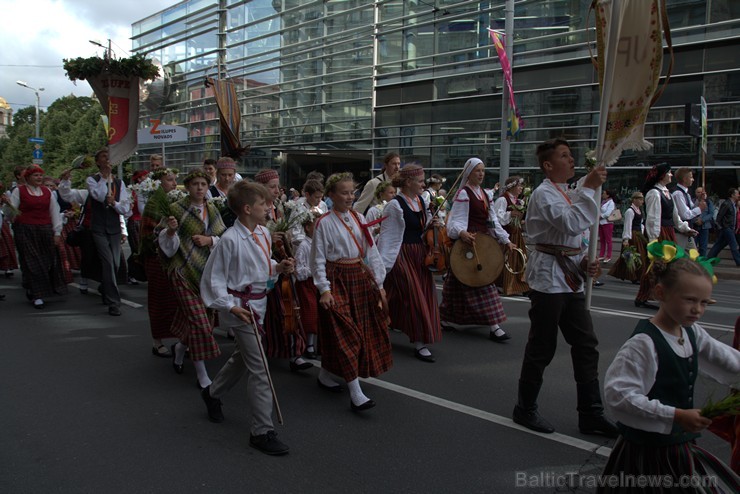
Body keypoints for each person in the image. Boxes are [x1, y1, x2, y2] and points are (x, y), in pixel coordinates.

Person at [599, 248, 740, 493]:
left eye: (704, 302)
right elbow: (619, 395)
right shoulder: (644, 344)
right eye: (690, 300)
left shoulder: (691, 332)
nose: (698, 309)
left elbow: (726, 359)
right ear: (661, 293)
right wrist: (676, 415)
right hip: (645, 452)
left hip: (677, 448)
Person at [512, 138, 618, 437]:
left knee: (586, 344)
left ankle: (591, 414)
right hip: (548, 279)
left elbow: (574, 238)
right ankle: (525, 408)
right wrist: (588, 187)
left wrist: (585, 262)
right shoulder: (544, 195)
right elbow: (570, 223)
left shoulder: (567, 191)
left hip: (570, 278)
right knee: (542, 345)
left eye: (571, 155)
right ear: (548, 165)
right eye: (564, 155)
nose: (571, 160)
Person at [200, 180, 293, 456]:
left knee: (243, 357)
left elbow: (262, 271)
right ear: (247, 208)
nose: (270, 206)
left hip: (260, 305)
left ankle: (212, 393)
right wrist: (229, 307)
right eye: (264, 203)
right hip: (241, 309)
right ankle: (261, 431)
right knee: (261, 368)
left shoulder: (264, 233)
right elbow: (213, 280)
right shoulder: (229, 240)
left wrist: (279, 267)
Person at [310, 173, 391, 411]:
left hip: (359, 277)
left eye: (351, 192)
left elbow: (371, 251)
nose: (349, 196)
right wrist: (324, 289)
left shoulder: (358, 217)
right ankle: (356, 393)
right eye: (343, 192)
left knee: (358, 331)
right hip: (336, 281)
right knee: (346, 332)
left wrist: (380, 285)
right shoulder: (323, 222)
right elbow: (317, 260)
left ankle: (325, 375)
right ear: (331, 195)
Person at [158, 170, 226, 389]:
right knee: (199, 323)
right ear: (187, 186)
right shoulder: (176, 210)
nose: (199, 188)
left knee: (200, 318)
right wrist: (170, 232)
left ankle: (180, 350)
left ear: (208, 187)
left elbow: (223, 237)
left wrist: (209, 239)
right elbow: (166, 247)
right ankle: (202, 374)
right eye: (195, 184)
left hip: (206, 273)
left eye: (203, 184)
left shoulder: (213, 209)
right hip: (182, 272)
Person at [439, 158, 515, 342]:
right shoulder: (464, 194)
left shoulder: (485, 194)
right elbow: (455, 221)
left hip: (483, 242)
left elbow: (493, 220)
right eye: (477, 171)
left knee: (458, 283)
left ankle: (446, 318)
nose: (481, 174)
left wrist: (506, 239)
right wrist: (461, 232)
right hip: (469, 242)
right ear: (469, 173)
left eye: (483, 170)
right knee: (481, 281)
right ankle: (494, 326)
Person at [378, 164, 441, 362]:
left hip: (419, 254)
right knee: (414, 296)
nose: (424, 184)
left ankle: (382, 322)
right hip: (401, 253)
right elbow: (387, 235)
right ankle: (419, 343)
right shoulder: (394, 205)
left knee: (403, 295)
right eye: (421, 181)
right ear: (408, 182)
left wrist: (434, 224)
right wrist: (383, 263)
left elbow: (423, 229)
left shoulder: (422, 202)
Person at [254, 168, 311, 371]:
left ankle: (295, 352)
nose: (277, 190)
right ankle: (266, 349)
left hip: (282, 262)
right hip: (265, 265)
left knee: (289, 307)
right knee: (273, 310)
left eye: (277, 186)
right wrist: (271, 237)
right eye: (272, 187)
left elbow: (287, 234)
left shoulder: (279, 207)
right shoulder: (255, 210)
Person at [635, 163, 697, 309]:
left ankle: (664, 295)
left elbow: (675, 217)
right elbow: (653, 218)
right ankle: (643, 296)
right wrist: (653, 240)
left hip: (668, 231)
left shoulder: (666, 192)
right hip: (659, 232)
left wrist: (685, 228)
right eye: (669, 173)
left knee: (668, 265)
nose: (671, 175)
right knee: (655, 265)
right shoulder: (654, 193)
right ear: (662, 175)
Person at [3, 165, 66, 309]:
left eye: (40, 175)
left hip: (44, 230)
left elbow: (54, 212)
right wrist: (8, 206)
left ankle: (34, 287)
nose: (39, 178)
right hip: (25, 230)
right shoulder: (19, 191)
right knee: (32, 261)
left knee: (46, 260)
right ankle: (37, 295)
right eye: (35, 175)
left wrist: (57, 232)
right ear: (28, 178)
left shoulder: (47, 192)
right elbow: (11, 214)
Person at [139, 167, 180, 358]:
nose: (173, 183)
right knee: (159, 299)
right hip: (156, 259)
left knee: (177, 300)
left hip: (174, 258)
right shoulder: (154, 204)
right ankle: (157, 341)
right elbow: (148, 235)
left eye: (174, 179)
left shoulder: (174, 201)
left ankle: (181, 338)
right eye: (169, 180)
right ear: (158, 183)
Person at [86, 148, 131, 316]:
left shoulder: (119, 183)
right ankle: (114, 302)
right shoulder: (92, 180)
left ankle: (105, 286)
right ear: (98, 162)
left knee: (115, 264)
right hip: (98, 228)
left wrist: (115, 204)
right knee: (107, 262)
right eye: (104, 157)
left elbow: (125, 208)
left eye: (109, 157)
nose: (107, 160)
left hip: (114, 228)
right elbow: (98, 195)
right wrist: (105, 178)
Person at [493, 175, 530, 296]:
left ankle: (518, 284)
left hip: (516, 233)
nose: (521, 188)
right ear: (512, 187)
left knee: (519, 258)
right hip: (507, 234)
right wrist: (510, 214)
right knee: (507, 259)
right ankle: (504, 284)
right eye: (519, 186)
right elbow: (497, 217)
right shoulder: (502, 200)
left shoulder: (518, 201)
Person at [294, 208, 322, 359]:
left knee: (317, 314)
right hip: (306, 285)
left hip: (317, 284)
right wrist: (314, 270)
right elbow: (299, 271)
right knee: (309, 314)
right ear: (307, 227)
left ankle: (312, 343)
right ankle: (307, 345)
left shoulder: (320, 244)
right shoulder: (304, 246)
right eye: (316, 226)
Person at [608, 191, 647, 283]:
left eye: (642, 199)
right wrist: (626, 239)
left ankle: (636, 275)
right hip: (632, 235)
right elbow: (627, 225)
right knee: (633, 256)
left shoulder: (639, 210)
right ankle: (635, 276)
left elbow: (640, 224)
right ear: (634, 200)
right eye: (640, 199)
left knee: (638, 255)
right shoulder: (630, 211)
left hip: (638, 234)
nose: (642, 201)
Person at [672, 167, 705, 250]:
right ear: (684, 179)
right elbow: (685, 215)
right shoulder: (678, 194)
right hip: (680, 232)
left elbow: (691, 207)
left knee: (694, 257)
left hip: (687, 232)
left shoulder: (686, 194)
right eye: (691, 177)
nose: (693, 179)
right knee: (679, 258)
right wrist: (699, 209)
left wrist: (699, 200)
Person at [708, 188, 740, 266]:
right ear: (732, 195)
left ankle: (709, 259)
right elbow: (719, 216)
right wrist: (721, 227)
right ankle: (739, 261)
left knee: (719, 245)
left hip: (730, 228)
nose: (738, 195)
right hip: (727, 228)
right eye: (737, 193)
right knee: (734, 245)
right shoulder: (726, 204)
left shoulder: (733, 204)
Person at [206, 157, 238, 228]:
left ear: (234, 174)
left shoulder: (238, 191)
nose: (227, 178)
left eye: (230, 175)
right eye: (223, 175)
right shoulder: (209, 192)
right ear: (217, 174)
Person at [693, 186, 715, 257]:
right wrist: (696, 220)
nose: (700, 194)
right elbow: (690, 211)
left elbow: (711, 213)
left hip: (704, 226)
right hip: (694, 226)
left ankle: (702, 262)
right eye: (698, 192)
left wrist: (703, 220)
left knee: (703, 247)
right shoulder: (692, 201)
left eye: (701, 192)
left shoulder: (708, 202)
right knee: (693, 246)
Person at [598, 189, 616, 263]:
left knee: (608, 240)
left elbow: (608, 213)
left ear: (608, 195)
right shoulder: (603, 202)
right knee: (602, 239)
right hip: (601, 223)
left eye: (604, 193)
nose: (602, 194)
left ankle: (608, 256)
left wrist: (600, 216)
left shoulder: (611, 203)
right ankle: (601, 255)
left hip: (607, 223)